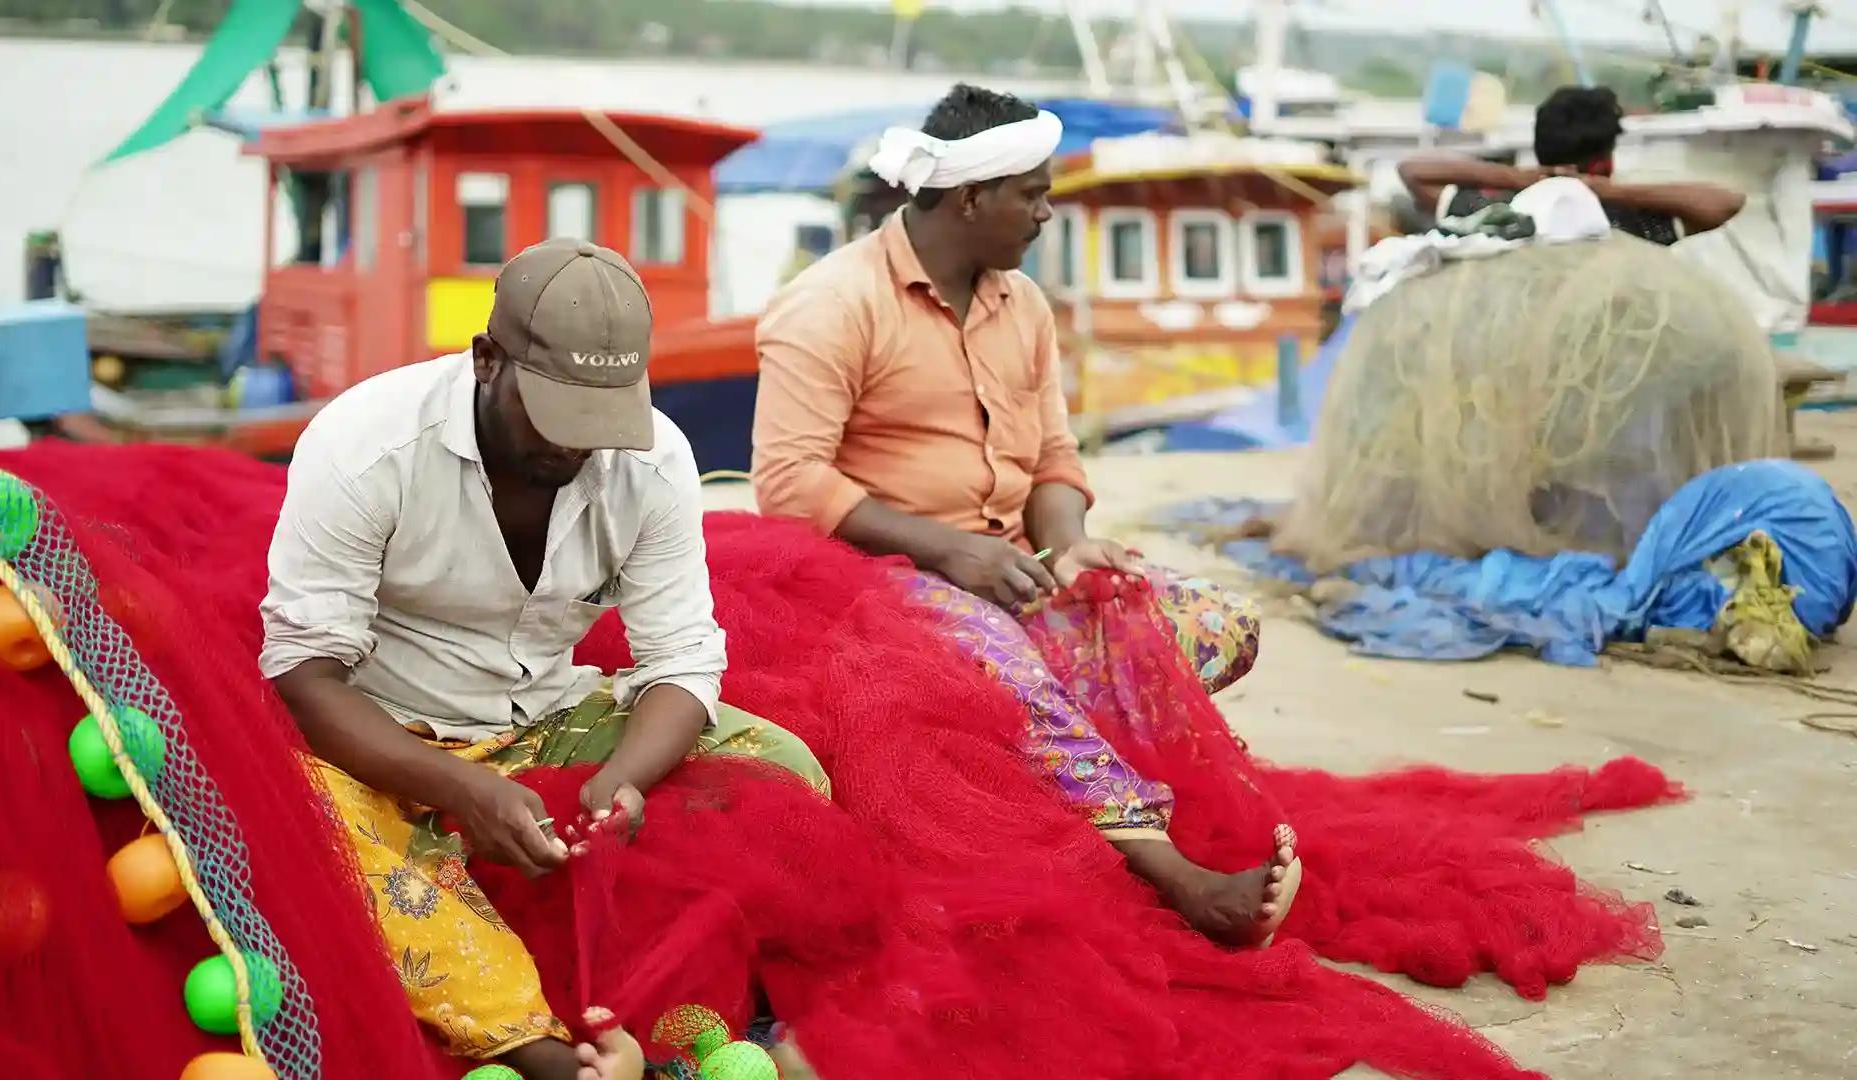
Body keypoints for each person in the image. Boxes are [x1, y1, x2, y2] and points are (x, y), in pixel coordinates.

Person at [260, 240, 827, 1080]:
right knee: (306, 825)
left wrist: (625, 779)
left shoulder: (652, 460)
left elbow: (682, 661)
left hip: (552, 718)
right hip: (383, 742)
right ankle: (542, 1051)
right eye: (556, 419)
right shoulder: (363, 447)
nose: (576, 450)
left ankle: (731, 1000)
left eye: (602, 422)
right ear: (487, 360)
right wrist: (458, 788)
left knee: (785, 768)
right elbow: (306, 677)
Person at [751, 84, 1297, 947]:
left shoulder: (1024, 303)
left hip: (1014, 561)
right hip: (877, 582)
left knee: (1218, 624)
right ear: (971, 198)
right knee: (1011, 670)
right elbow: (786, 483)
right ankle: (1176, 877)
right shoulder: (831, 302)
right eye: (1034, 193)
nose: (1047, 212)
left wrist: (1071, 546)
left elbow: (1052, 455)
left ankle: (1055, 767)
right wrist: (950, 551)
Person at [1399, 84, 1745, 244]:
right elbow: (1726, 203)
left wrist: (1517, 178)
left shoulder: (1497, 212)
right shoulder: (1624, 224)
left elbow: (1412, 172)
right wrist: (1611, 192)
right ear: (1603, 163)